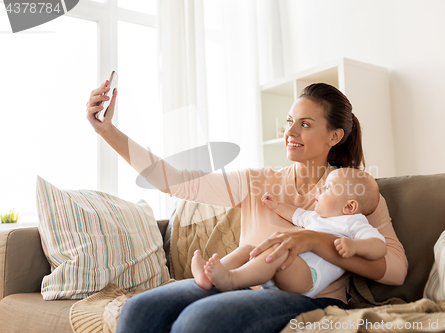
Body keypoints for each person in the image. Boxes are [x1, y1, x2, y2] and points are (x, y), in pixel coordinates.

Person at [85, 81, 408, 333]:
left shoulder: (354, 190)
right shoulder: (257, 181)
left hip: (306, 297)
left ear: (334, 136)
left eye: (305, 125)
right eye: (289, 121)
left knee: (202, 321)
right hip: (236, 279)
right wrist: (106, 130)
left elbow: (395, 270)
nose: (289, 133)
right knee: (140, 310)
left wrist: (314, 241)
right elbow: (176, 181)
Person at [191, 168, 386, 299]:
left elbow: (379, 245)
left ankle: (231, 279)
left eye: (328, 188)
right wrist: (276, 206)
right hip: (284, 268)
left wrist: (355, 246)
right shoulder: (316, 218)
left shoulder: (354, 222)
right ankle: (207, 279)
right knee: (249, 249)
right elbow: (296, 215)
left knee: (279, 251)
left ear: (350, 206)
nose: (320, 189)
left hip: (309, 277)